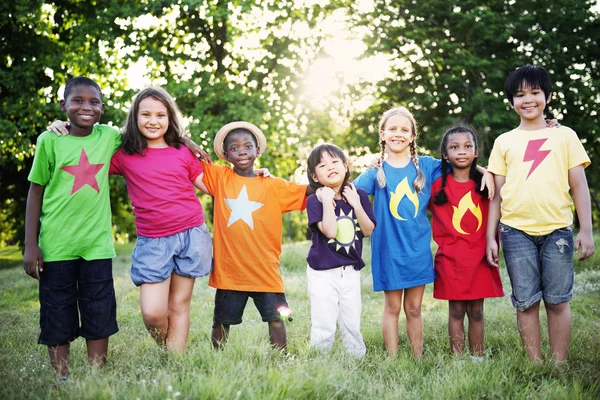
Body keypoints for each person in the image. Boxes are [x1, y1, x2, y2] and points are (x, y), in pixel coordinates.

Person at [354, 106, 493, 358]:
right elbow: (351, 191)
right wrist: (368, 165)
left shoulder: (427, 167)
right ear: (383, 134)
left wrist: (486, 171)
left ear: (413, 136)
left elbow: (462, 165)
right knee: (393, 307)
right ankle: (393, 360)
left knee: (415, 308)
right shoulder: (377, 171)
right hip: (388, 251)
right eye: (393, 129)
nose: (399, 133)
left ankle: (417, 358)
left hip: (417, 251)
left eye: (404, 129)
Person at [486, 64, 595, 364]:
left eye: (535, 92)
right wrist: (491, 237)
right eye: (520, 94)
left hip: (557, 229)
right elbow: (496, 196)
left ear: (547, 96)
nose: (528, 99)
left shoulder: (565, 136)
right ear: (511, 102)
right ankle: (534, 363)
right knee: (525, 301)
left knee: (558, 301)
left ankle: (558, 362)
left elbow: (579, 186)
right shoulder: (504, 142)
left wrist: (585, 230)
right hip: (514, 231)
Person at [24, 77, 120, 379]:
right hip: (55, 246)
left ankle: (95, 377)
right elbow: (35, 191)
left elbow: (150, 134)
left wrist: (189, 141)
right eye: (77, 100)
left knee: (99, 309)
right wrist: (31, 243)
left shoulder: (109, 137)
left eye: (93, 102)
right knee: (57, 312)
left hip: (97, 245)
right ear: (64, 105)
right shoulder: (49, 140)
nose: (86, 107)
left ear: (102, 108)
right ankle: (62, 378)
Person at [108, 86, 213, 353]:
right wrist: (61, 127)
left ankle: (175, 362)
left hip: (191, 234)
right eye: (146, 114)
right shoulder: (123, 154)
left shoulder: (183, 152)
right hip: (153, 241)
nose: (153, 121)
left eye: (160, 115)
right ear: (135, 117)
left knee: (179, 304)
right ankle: (168, 347)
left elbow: (213, 185)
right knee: (153, 313)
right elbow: (86, 149)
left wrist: (250, 174)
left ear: (170, 118)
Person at [200, 121, 311, 351]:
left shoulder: (273, 185)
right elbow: (186, 161)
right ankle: (216, 358)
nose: (241, 150)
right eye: (234, 147)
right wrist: (189, 142)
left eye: (247, 146)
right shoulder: (220, 177)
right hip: (230, 271)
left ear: (258, 151)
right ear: (225, 155)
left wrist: (331, 174)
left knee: (277, 317)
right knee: (221, 320)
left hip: (265, 270)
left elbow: (307, 191)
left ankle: (281, 358)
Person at [429, 125, 504, 361]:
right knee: (456, 311)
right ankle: (458, 359)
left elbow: (513, 175)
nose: (461, 151)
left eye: (467, 146)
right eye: (454, 147)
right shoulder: (436, 186)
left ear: (476, 152)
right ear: (445, 154)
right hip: (450, 259)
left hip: (479, 258)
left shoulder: (487, 182)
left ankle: (478, 357)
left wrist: (487, 173)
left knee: (477, 311)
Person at [305, 143, 376, 358]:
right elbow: (329, 231)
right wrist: (327, 201)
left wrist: (356, 204)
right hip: (322, 272)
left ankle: (357, 358)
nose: (330, 167)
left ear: (346, 166)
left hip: (350, 271)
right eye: (322, 165)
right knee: (324, 322)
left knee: (351, 320)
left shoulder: (359, 195)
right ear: (315, 176)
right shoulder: (314, 200)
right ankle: (320, 360)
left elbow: (368, 229)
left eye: (335, 161)